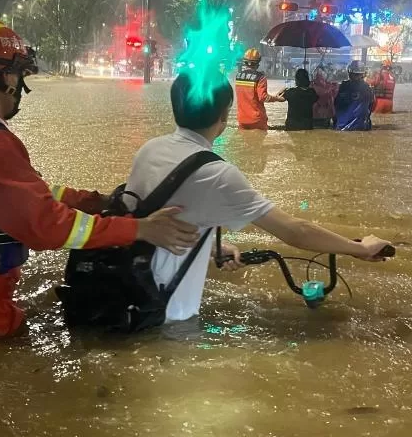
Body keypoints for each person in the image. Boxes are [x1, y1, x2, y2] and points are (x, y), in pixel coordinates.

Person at [0, 17, 199, 339]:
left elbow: (25, 196)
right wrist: (140, 229)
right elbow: (46, 225)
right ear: (6, 78)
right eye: (20, 73)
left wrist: (94, 202)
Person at [120, 71, 394, 323]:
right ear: (223, 117)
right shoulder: (216, 173)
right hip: (166, 314)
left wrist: (210, 247)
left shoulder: (150, 149)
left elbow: (152, 221)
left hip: (127, 293)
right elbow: (295, 231)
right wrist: (361, 249)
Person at [234, 47, 279, 130]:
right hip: (257, 120)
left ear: (244, 62)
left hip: (242, 119)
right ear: (258, 64)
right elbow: (263, 97)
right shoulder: (260, 77)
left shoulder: (238, 76)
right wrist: (277, 98)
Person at [334, 60, 375, 131]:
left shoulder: (343, 86)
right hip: (362, 127)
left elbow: (335, 105)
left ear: (349, 72)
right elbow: (372, 106)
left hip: (342, 126)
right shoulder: (367, 88)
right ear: (362, 74)